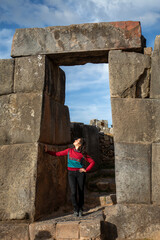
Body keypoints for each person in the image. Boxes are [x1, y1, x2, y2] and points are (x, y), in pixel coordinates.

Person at [44, 138, 95, 217]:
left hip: (80, 174)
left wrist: (86, 170)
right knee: (73, 192)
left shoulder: (83, 153)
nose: (74, 140)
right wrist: (47, 151)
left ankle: (81, 209)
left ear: (80, 144)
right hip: (71, 173)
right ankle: (75, 209)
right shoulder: (69, 150)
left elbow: (92, 162)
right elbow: (57, 154)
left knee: (81, 192)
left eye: (77, 140)